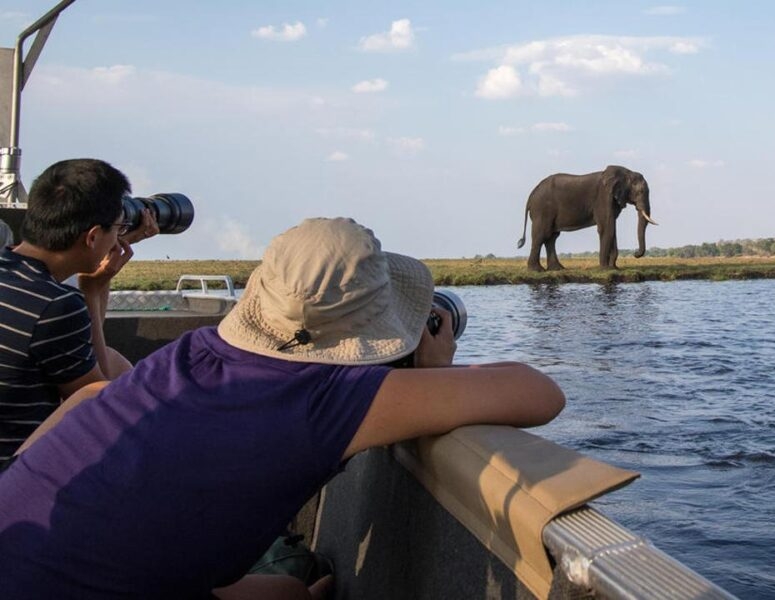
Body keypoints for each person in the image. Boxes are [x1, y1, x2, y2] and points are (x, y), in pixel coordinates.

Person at [0, 217, 566, 599]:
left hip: (25, 549)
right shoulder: (328, 398)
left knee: (289, 591)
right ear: (372, 331)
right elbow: (539, 393)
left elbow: (94, 405)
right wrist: (434, 375)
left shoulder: (194, 351)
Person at [0, 158, 159, 463]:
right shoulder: (56, 306)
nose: (120, 235)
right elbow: (100, 405)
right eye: (118, 228)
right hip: (15, 478)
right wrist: (92, 290)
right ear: (92, 237)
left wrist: (107, 239)